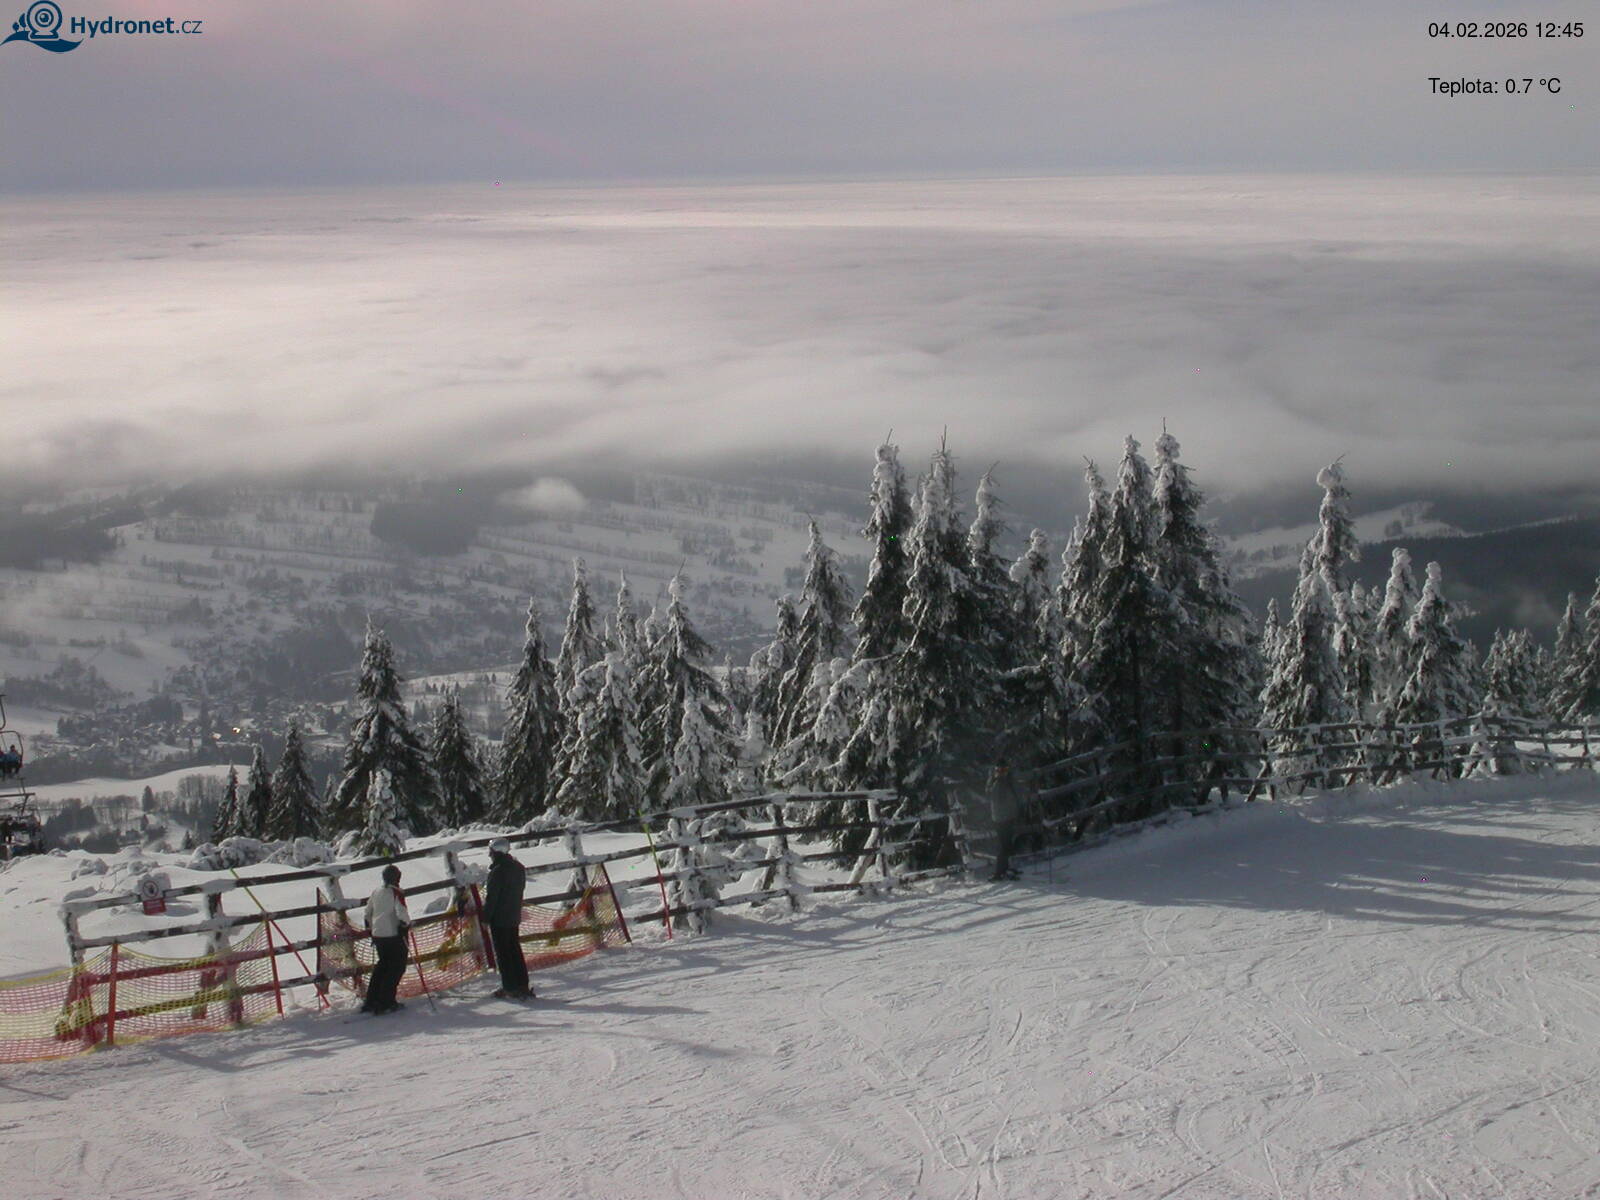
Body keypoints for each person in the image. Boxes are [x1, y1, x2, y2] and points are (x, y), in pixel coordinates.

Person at [483, 838, 533, 999]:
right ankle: (522, 984)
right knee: (515, 950)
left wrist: (485, 918)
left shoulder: (497, 871)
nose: (489, 854)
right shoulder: (518, 868)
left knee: (503, 953)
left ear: (496, 852)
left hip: (499, 918)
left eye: (491, 851)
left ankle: (510, 987)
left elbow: (492, 898)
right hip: (514, 915)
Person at [362, 863, 411, 1015]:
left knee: (382, 966)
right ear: (397, 878)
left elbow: (367, 913)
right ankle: (386, 1002)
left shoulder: (376, 892)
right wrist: (405, 925)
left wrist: (370, 929)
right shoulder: (396, 893)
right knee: (396, 968)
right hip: (393, 935)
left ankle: (371, 1000)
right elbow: (401, 912)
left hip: (378, 935)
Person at [986, 763, 1024, 882]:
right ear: (996, 771)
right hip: (1001, 819)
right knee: (1004, 845)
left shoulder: (1007, 782)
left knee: (1008, 844)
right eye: (1000, 770)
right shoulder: (997, 784)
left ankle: (1006, 868)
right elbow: (996, 799)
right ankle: (999, 872)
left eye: (1005, 770)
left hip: (1009, 817)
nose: (1003, 773)